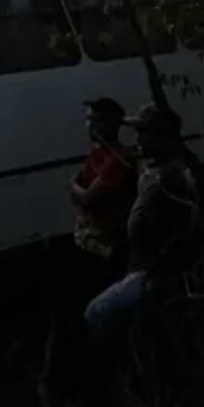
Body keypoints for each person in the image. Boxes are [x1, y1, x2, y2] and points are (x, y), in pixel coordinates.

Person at [83, 103, 197, 335]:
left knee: (96, 313)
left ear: (162, 136)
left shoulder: (177, 174)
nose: (137, 139)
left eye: (143, 133)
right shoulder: (151, 168)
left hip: (156, 271)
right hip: (138, 262)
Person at [69, 98, 138, 293]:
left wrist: (73, 185)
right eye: (89, 120)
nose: (90, 125)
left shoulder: (118, 160)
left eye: (96, 120)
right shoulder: (97, 154)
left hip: (111, 245)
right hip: (93, 242)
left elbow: (87, 197)